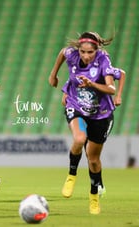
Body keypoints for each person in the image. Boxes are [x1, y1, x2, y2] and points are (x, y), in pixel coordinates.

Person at [48, 31, 118, 215]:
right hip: (76, 106)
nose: (86, 56)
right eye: (82, 52)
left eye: (90, 52)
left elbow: (111, 88)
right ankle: (72, 175)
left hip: (100, 114)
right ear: (78, 49)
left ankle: (94, 195)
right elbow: (63, 52)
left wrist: (92, 85)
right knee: (79, 139)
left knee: (93, 159)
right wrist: (53, 74)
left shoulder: (103, 60)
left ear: (97, 50)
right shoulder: (71, 53)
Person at [60, 66, 126, 196]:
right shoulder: (75, 74)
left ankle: (98, 183)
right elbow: (64, 99)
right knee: (82, 142)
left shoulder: (105, 72)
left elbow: (122, 73)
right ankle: (84, 179)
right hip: (84, 116)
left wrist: (118, 96)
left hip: (102, 116)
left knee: (92, 156)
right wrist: (77, 102)